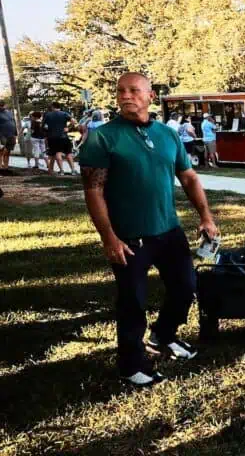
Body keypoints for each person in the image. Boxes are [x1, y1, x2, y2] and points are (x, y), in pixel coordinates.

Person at [78, 72, 219, 387]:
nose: (126, 96)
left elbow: (189, 177)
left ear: (150, 96)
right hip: (128, 237)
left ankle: (163, 336)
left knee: (185, 288)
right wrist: (109, 238)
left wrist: (206, 217)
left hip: (168, 230)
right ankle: (131, 365)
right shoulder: (103, 137)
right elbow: (93, 191)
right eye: (121, 91)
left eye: (134, 90)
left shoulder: (167, 135)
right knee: (133, 302)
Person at [43, 102, 75, 175]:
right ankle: (73, 170)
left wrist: (48, 131)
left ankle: (61, 171)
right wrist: (68, 128)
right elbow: (73, 121)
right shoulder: (64, 114)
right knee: (68, 153)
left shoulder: (48, 115)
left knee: (57, 153)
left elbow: (44, 126)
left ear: (53, 106)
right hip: (64, 136)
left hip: (53, 137)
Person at [0, 101, 16, 170]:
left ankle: (6, 167)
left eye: (3, 105)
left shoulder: (9, 112)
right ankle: (0, 166)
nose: (2, 107)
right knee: (1, 150)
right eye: (1, 105)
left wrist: (15, 134)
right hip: (2, 135)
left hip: (11, 134)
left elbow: (13, 121)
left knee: (8, 151)